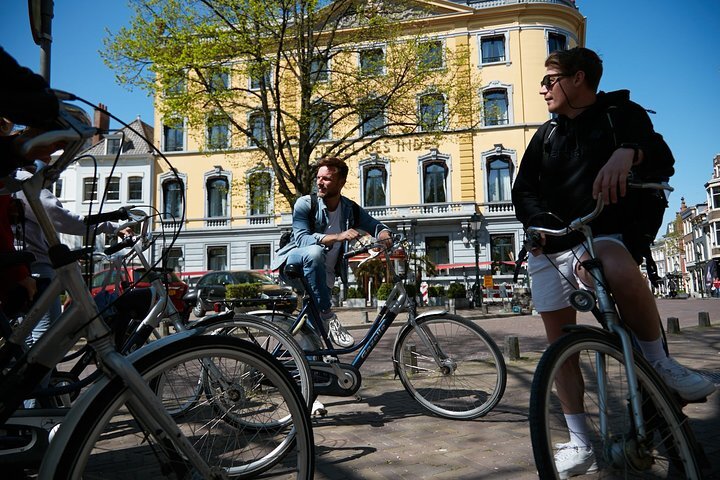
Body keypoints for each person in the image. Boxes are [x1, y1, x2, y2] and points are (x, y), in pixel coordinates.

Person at [511, 47, 715, 478]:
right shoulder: (545, 136)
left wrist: (630, 153)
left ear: (578, 78)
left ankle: (660, 363)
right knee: (559, 347)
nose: (543, 88)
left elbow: (662, 157)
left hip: (601, 232)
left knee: (613, 268)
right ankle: (580, 442)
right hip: (550, 245)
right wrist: (537, 225)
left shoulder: (621, 114)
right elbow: (523, 190)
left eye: (550, 80)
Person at [272, 157, 392, 348]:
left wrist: (384, 234)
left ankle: (297, 371)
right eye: (318, 178)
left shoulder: (349, 208)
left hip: (322, 278)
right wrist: (338, 236)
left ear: (341, 182)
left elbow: (375, 226)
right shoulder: (305, 203)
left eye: (326, 178)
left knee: (313, 339)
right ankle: (328, 314)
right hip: (295, 266)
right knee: (314, 252)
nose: (320, 182)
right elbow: (302, 240)